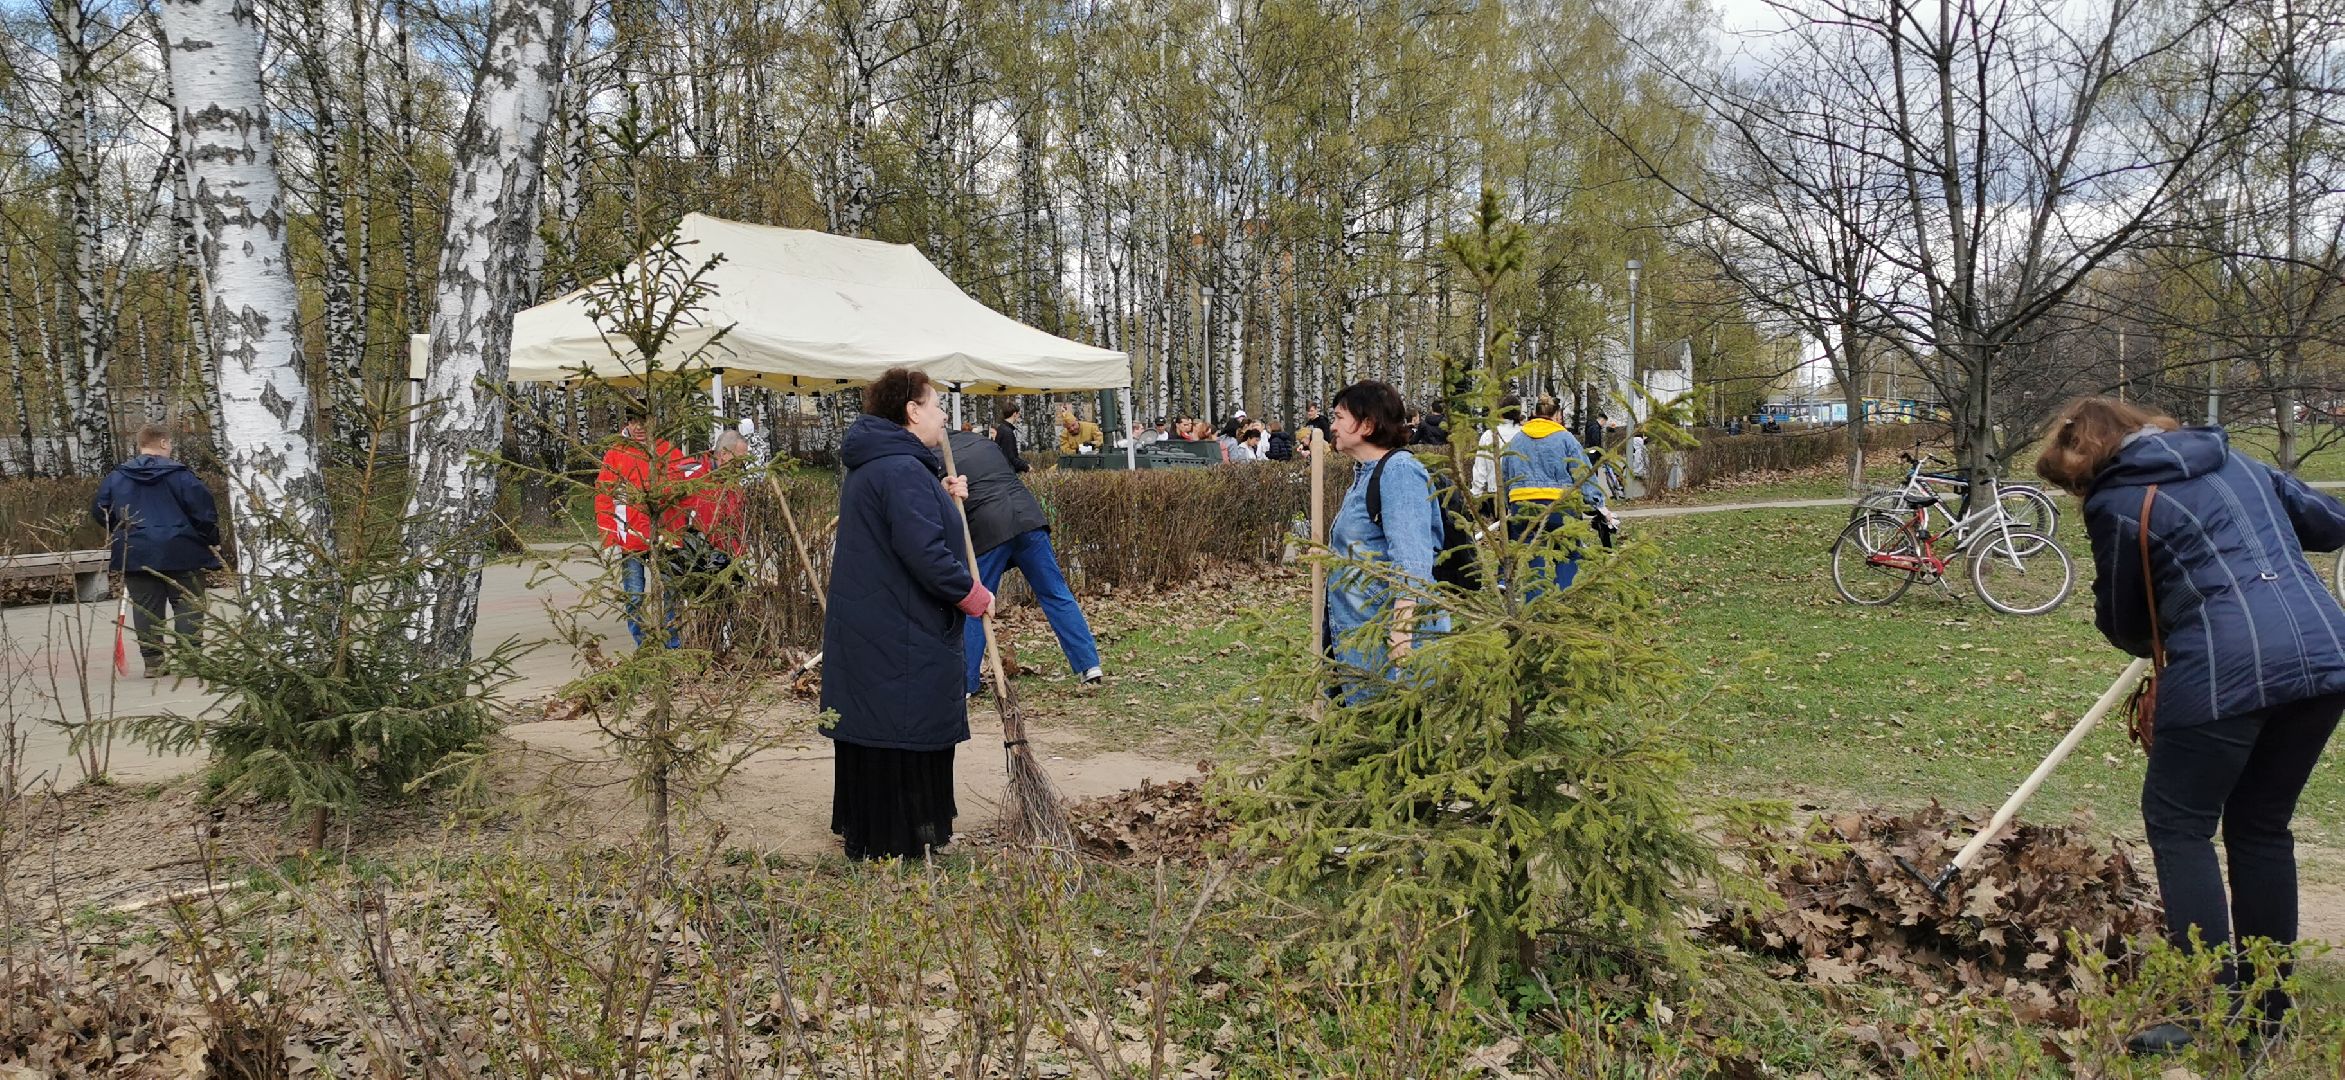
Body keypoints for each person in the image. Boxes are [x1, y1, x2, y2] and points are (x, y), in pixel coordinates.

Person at [2035, 396, 2345, 1055]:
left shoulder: (2114, 503)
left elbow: (2123, 622)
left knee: (2179, 826)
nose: (2077, 493)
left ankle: (2203, 1009)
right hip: (2323, 656)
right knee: (2260, 827)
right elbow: (2330, 523)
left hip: (2224, 672)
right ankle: (2267, 1016)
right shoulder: (2236, 460)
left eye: (2072, 482)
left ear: (2086, 464)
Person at [823, 367, 992, 861]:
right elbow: (924, 553)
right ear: (912, 411)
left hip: (881, 622)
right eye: (936, 405)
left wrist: (941, 497)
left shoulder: (887, 465)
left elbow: (904, 526)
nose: (943, 417)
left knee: (880, 727)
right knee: (901, 727)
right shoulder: (899, 469)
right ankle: (899, 836)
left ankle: (880, 830)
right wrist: (972, 593)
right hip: (899, 627)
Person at [948, 428, 1105, 695]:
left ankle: (966, 682)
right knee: (1055, 593)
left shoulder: (932, 453)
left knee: (975, 602)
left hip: (989, 528)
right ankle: (1089, 665)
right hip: (1027, 516)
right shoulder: (982, 442)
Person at [1325, 380, 1448, 700]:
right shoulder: (1366, 473)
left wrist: (1402, 634)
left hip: (1389, 651)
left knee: (1398, 739)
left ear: (1367, 424)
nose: (1333, 426)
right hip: (1361, 638)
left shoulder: (1400, 472)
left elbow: (1412, 561)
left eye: (1339, 417)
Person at [91, 424, 220, 678]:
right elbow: (204, 512)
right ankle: (190, 660)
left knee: (145, 606)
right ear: (163, 443)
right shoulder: (182, 476)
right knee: (187, 603)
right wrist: (210, 540)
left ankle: (153, 662)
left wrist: (123, 530)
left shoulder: (117, 477)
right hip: (183, 549)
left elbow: (100, 512)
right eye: (169, 443)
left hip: (135, 549)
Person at [597, 403, 686, 648]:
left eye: (643, 421)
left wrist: (656, 494)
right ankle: (644, 645)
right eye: (634, 421)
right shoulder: (616, 454)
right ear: (627, 423)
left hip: (665, 535)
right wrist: (609, 538)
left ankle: (673, 645)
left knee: (670, 593)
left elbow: (679, 486)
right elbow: (604, 497)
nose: (639, 427)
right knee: (634, 595)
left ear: (653, 422)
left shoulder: (668, 451)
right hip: (630, 537)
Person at [1501, 398, 1606, 593]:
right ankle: (1561, 599)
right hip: (1559, 505)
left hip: (1522, 504)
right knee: (1569, 552)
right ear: (1557, 415)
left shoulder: (1517, 439)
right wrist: (1597, 502)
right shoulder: (1565, 438)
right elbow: (1582, 471)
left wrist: (1509, 504)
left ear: (1534, 413)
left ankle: (1534, 605)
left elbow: (1505, 474)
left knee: (1533, 555)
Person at [1470, 395, 1526, 503]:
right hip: (1522, 491)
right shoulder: (1525, 434)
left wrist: (1476, 494)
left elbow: (1480, 468)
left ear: (1501, 412)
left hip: (1495, 491)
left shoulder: (1489, 435)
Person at [993, 403, 1031, 472]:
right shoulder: (1007, 432)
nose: (1019, 416)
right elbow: (1011, 457)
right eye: (1018, 414)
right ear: (1014, 414)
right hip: (1007, 472)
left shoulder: (1001, 428)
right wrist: (1026, 467)